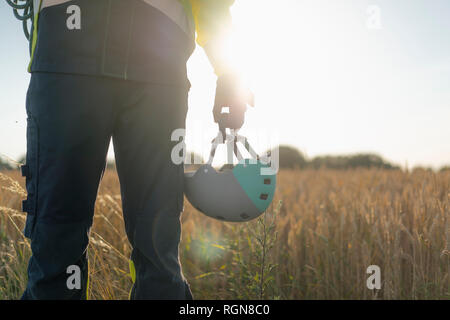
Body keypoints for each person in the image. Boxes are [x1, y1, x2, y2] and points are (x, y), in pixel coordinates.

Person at [20, 0, 253, 300]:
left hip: (149, 66)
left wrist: (229, 71)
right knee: (55, 241)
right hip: (73, 58)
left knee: (158, 250)